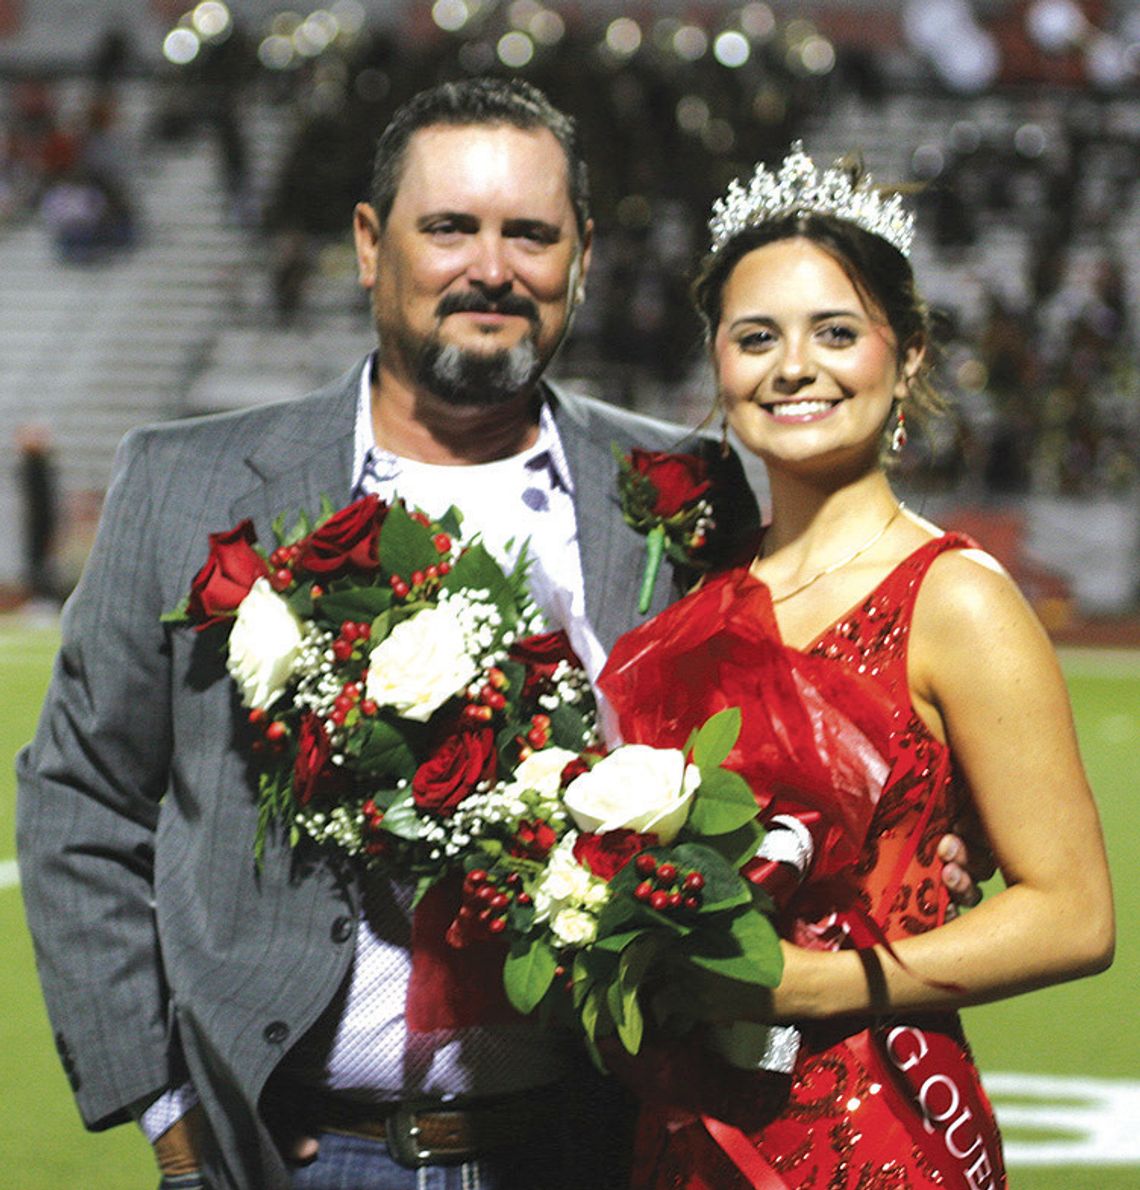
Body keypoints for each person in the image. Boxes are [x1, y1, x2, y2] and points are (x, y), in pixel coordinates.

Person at [16, 82, 981, 1190]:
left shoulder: (684, 489)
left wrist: (939, 832)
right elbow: (77, 799)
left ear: (581, 259)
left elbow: (804, 712)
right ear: (371, 245)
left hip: (589, 1144)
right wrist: (168, 1109)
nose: (492, 266)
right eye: (451, 228)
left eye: (530, 233)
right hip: (291, 1152)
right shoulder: (184, 483)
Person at [596, 144, 1115, 1188]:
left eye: (837, 331)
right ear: (717, 364)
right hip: (683, 1131)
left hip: (878, 1125)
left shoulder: (955, 596)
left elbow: (1074, 911)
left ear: (909, 354)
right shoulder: (698, 594)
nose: (795, 366)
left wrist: (820, 985)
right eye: (756, 337)